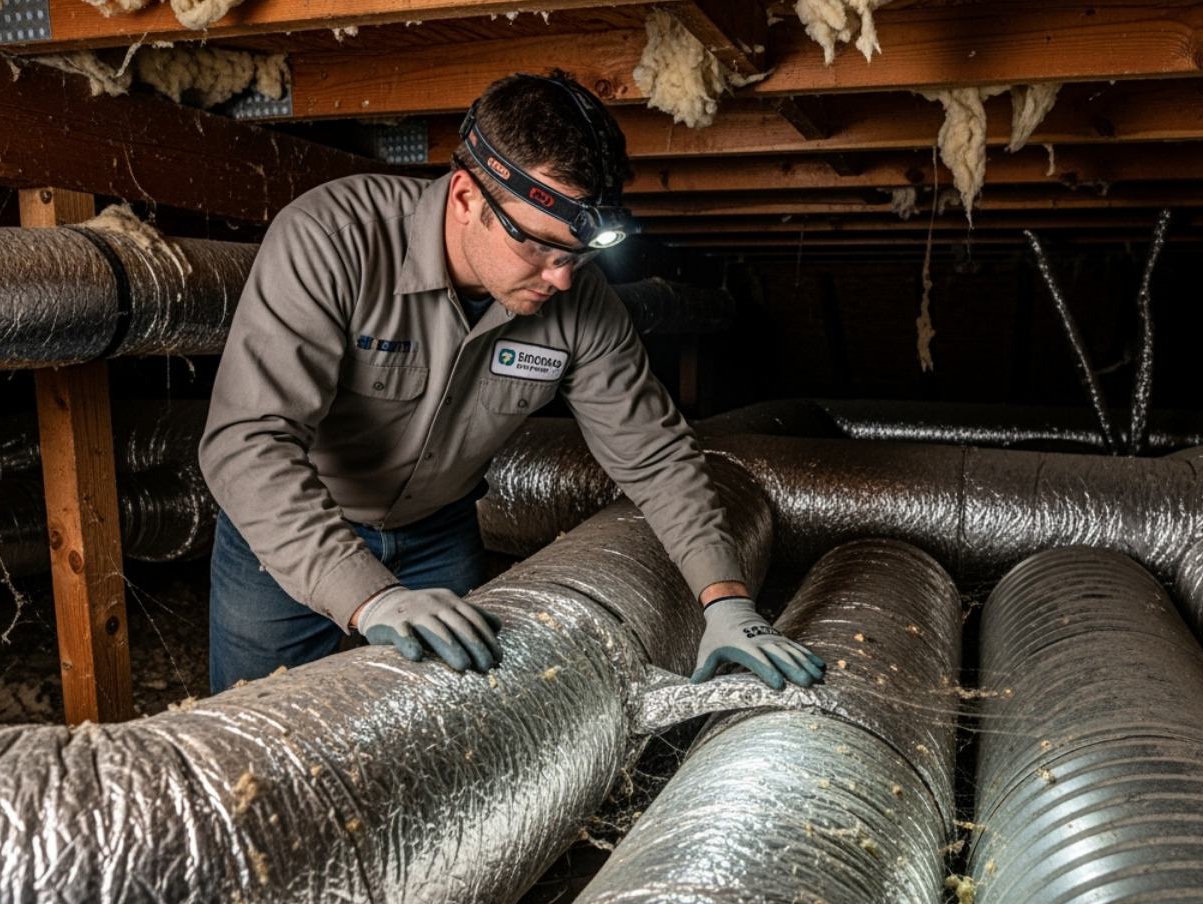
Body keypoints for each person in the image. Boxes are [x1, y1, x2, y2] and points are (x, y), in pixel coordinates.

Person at [198, 69, 823, 694]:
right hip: (292, 527)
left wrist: (726, 601)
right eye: (540, 247)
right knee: (259, 718)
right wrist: (369, 596)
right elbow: (249, 440)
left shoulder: (581, 301)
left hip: (436, 531)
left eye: (578, 254)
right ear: (465, 198)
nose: (562, 279)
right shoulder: (334, 240)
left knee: (458, 719)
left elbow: (654, 456)